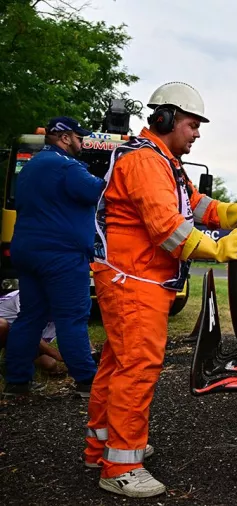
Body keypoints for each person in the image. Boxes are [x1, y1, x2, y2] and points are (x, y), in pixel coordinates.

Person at [83, 81, 237, 498]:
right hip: (134, 281)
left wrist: (233, 212)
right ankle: (120, 467)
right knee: (136, 369)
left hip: (134, 278)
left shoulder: (163, 162)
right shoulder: (146, 163)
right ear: (165, 119)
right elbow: (167, 229)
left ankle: (102, 447)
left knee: (117, 365)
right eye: (192, 124)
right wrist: (216, 248)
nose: (197, 133)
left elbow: (195, 205)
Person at [2, 116, 103, 397]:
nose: (82, 142)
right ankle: (86, 380)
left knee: (30, 315)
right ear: (65, 137)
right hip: (61, 254)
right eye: (79, 137)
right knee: (71, 317)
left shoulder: (31, 166)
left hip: (27, 251)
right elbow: (98, 191)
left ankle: (17, 381)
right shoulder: (66, 166)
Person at [0, 290, 66, 380]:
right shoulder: (26, 296)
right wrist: (57, 354)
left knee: (50, 364)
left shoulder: (59, 312)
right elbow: (29, 331)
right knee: (2, 325)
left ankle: (10, 357)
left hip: (16, 335)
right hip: (7, 327)